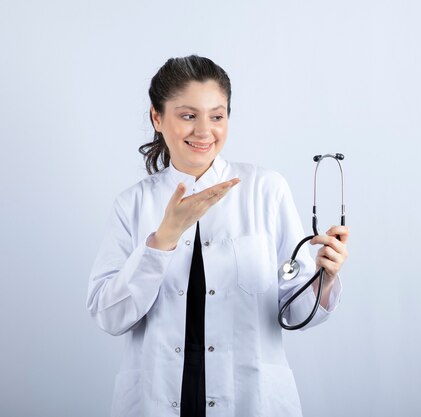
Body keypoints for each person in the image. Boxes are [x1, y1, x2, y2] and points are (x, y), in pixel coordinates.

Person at [86, 55, 349, 417]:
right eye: (188, 115)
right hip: (157, 398)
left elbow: (296, 312)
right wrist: (163, 239)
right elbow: (108, 316)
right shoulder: (133, 203)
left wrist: (325, 278)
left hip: (250, 399)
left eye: (217, 116)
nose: (204, 131)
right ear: (157, 118)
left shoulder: (265, 190)